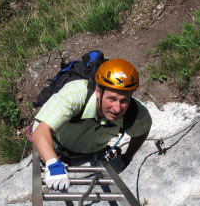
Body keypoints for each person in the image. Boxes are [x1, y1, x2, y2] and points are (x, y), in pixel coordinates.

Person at [32, 58, 152, 191]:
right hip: (51, 147)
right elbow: (41, 130)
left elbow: (143, 129)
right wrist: (53, 164)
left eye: (124, 100)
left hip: (87, 155)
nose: (117, 108)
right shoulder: (75, 94)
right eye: (111, 99)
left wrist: (126, 158)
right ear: (98, 92)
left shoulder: (135, 112)